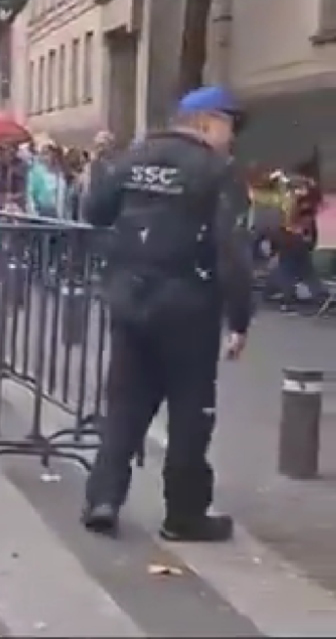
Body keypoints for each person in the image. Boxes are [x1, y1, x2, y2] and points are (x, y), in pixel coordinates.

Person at [80, 85, 253, 543]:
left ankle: (103, 499)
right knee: (191, 411)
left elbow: (95, 212)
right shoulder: (217, 171)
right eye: (229, 126)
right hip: (189, 308)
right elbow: (231, 250)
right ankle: (184, 514)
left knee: (124, 403)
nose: (231, 138)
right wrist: (240, 319)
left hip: (131, 300)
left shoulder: (134, 158)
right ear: (207, 122)